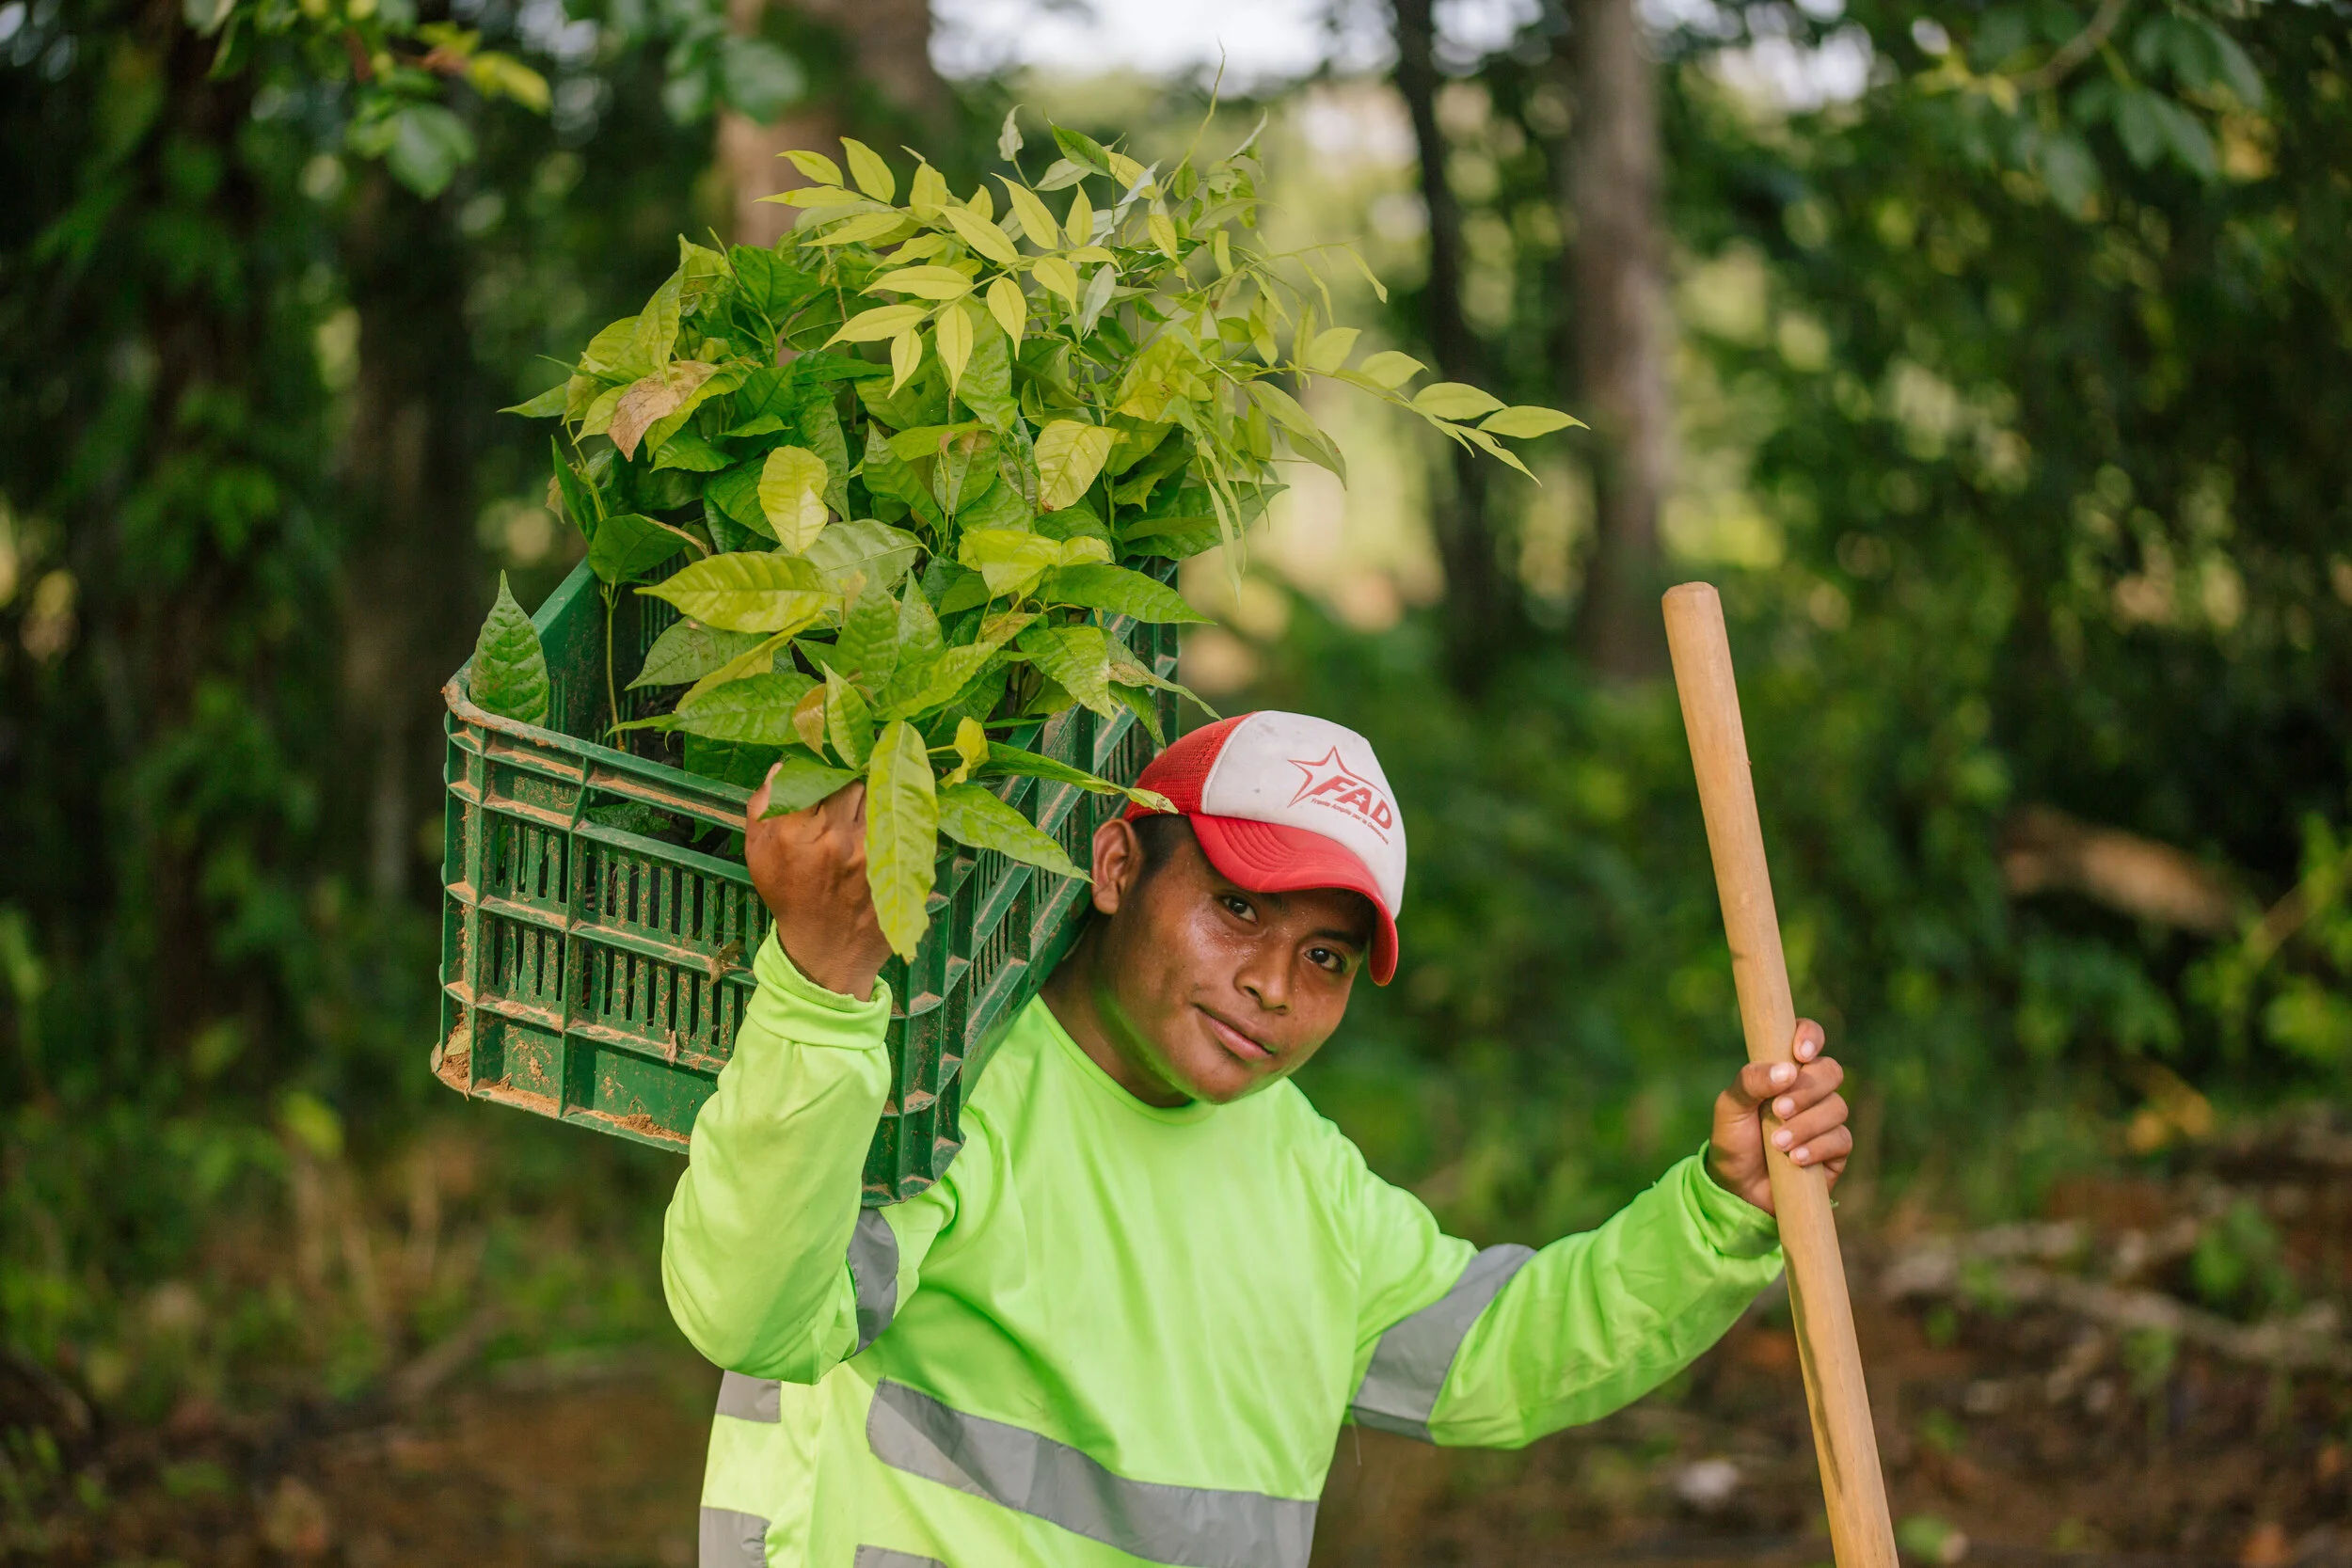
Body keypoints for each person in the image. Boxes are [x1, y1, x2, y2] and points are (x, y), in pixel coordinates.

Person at [664, 711, 1852, 1568]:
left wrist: (1720, 1208)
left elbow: (1508, 1351)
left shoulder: (1305, 1176)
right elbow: (756, 1315)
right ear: (1121, 861)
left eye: (1325, 956)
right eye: (1238, 906)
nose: (1274, 986)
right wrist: (820, 993)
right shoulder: (961, 1088)